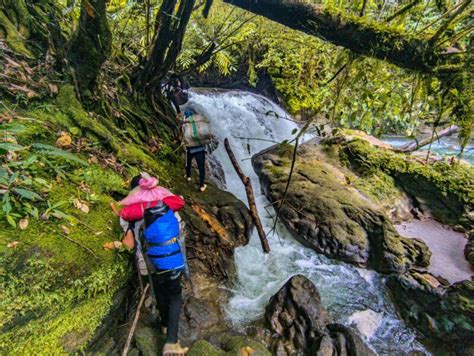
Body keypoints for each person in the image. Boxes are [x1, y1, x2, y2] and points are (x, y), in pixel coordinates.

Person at [118, 174, 188, 356]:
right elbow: (179, 231)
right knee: (174, 296)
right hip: (171, 258)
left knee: (159, 291)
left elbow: (130, 244)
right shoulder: (166, 205)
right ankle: (171, 342)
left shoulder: (128, 214)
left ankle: (165, 324)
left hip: (148, 263)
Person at [180, 108, 212, 192]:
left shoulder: (185, 124)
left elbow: (183, 135)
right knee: (201, 168)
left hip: (190, 149)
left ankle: (188, 176)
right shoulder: (199, 124)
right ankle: (202, 185)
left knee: (188, 162)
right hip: (200, 149)